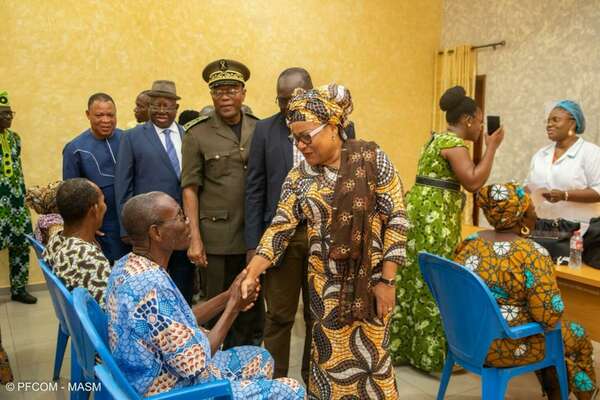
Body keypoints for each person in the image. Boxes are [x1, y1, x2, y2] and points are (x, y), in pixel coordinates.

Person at [241, 84, 407, 399]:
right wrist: (252, 272)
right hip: (325, 292)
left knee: (373, 365)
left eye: (306, 136)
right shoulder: (300, 176)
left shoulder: (372, 160)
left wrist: (387, 280)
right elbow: (281, 227)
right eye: (294, 138)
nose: (300, 145)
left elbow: (397, 218)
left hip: (370, 287)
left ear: (333, 127)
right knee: (330, 365)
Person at [106, 191, 305, 399]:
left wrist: (228, 296)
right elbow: (196, 363)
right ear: (156, 233)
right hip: (172, 391)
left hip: (151, 377)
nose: (188, 222)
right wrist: (234, 307)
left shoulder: (127, 266)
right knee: (292, 389)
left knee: (260, 357)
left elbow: (179, 320)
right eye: (180, 217)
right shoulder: (152, 287)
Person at [245, 67, 355, 382]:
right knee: (279, 316)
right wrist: (254, 245)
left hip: (326, 236)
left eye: (291, 98)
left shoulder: (338, 124)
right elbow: (254, 189)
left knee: (316, 315)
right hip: (282, 237)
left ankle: (312, 380)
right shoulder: (265, 129)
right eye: (280, 100)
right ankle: (274, 382)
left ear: (308, 91)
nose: (284, 106)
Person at [390, 85, 504, 372]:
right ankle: (432, 358)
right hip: (434, 223)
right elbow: (474, 181)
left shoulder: (434, 139)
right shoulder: (454, 145)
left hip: (419, 218)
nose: (480, 127)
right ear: (467, 119)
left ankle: (404, 349)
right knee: (436, 285)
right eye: (479, 121)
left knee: (414, 281)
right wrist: (491, 148)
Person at [455, 183, 597, 399]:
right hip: (502, 345)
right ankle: (586, 392)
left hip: (464, 336)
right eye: (533, 211)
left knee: (548, 337)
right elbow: (548, 316)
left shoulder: (470, 243)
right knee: (575, 334)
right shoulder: (531, 254)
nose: (536, 215)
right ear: (521, 219)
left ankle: (559, 383)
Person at [182, 59, 263, 348]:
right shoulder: (197, 133)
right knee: (217, 305)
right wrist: (194, 238)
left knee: (251, 306)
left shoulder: (259, 128)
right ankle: (212, 365)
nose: (225, 97)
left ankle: (247, 363)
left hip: (254, 235)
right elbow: (190, 188)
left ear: (243, 92)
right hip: (215, 237)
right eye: (218, 91)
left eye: (231, 90)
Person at [115, 80, 196, 305]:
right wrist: (126, 228)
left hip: (182, 227)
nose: (161, 110)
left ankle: (185, 326)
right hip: (150, 229)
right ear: (148, 107)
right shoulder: (131, 137)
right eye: (156, 105)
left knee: (183, 283)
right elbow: (123, 184)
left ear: (176, 108)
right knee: (152, 288)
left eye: (167, 105)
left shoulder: (188, 135)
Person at [63, 92, 129, 264]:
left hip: (132, 223)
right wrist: (86, 228)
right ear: (88, 115)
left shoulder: (128, 139)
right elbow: (71, 195)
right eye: (99, 115)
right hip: (103, 228)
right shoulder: (74, 149)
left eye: (110, 115)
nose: (106, 120)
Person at [525, 100, 600, 224]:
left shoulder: (592, 153)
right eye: (548, 121)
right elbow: (529, 186)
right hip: (542, 228)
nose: (549, 124)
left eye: (555, 120)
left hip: (579, 231)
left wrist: (564, 195)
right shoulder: (541, 154)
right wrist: (517, 192)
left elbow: (598, 191)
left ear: (572, 123)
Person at [42, 178, 111, 307]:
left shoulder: (54, 242)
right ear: (94, 210)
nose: (105, 207)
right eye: (103, 201)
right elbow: (111, 314)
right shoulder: (90, 258)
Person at [0, 91, 36, 304]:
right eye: (3, 114)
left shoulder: (15, 139)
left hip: (16, 203)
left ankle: (19, 288)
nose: (8, 117)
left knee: (22, 244)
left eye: (10, 113)